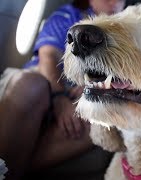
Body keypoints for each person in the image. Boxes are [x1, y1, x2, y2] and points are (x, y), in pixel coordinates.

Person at [0, 0, 126, 179]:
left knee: (104, 118)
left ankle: (8, 171)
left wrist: (96, 86)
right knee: (32, 87)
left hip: (82, 101)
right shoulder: (68, 16)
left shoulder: (127, 32)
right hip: (43, 82)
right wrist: (60, 98)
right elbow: (48, 56)